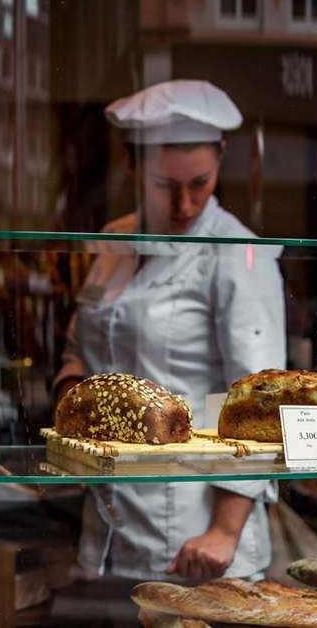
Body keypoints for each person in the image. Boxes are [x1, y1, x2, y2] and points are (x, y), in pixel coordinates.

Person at [54, 80, 288, 583]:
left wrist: (224, 532)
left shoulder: (239, 254)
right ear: (131, 165)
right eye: (165, 186)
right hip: (109, 525)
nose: (184, 204)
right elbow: (80, 349)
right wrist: (73, 407)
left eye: (200, 183)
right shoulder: (114, 241)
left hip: (195, 536)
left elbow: (261, 405)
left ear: (221, 161)